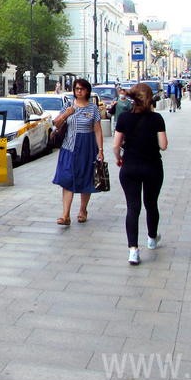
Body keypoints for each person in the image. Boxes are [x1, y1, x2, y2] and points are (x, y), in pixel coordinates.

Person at [114, 83, 167, 265]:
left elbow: (115, 145)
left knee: (132, 208)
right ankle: (152, 239)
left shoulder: (124, 118)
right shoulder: (157, 118)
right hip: (152, 167)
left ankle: (133, 251)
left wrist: (118, 158)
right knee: (151, 204)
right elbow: (163, 145)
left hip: (130, 167)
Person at [51, 78, 104, 226]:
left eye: (82, 89)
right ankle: (65, 215)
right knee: (67, 178)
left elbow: (98, 130)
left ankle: (82, 210)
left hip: (87, 147)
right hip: (69, 146)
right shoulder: (68, 105)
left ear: (87, 91)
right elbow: (56, 123)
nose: (79, 91)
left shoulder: (93, 108)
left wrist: (100, 150)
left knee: (86, 178)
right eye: (76, 89)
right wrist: (66, 114)